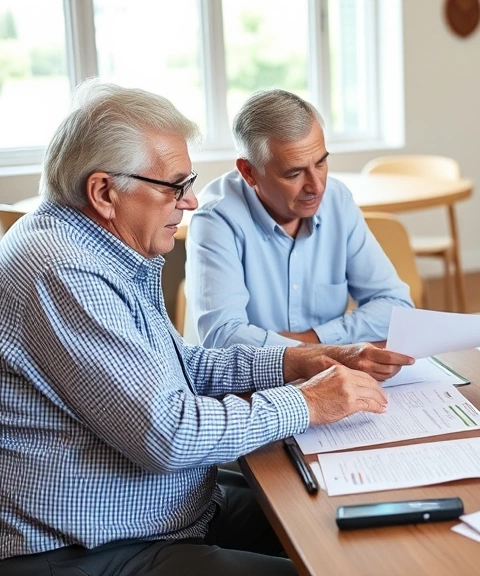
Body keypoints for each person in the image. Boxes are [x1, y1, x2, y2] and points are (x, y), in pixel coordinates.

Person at [0, 81, 414, 574]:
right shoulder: (64, 270)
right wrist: (308, 401)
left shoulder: (97, 249)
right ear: (105, 192)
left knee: (353, 528)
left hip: (169, 510)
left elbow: (182, 364)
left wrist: (297, 361)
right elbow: (170, 433)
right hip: (97, 546)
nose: (191, 201)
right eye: (174, 186)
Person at [186, 89, 413, 348]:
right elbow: (223, 338)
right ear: (249, 172)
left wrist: (314, 340)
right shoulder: (216, 218)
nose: (317, 187)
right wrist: (316, 351)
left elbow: (396, 307)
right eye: (294, 174)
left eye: (320, 163)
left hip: (331, 366)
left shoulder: (337, 200)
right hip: (246, 375)